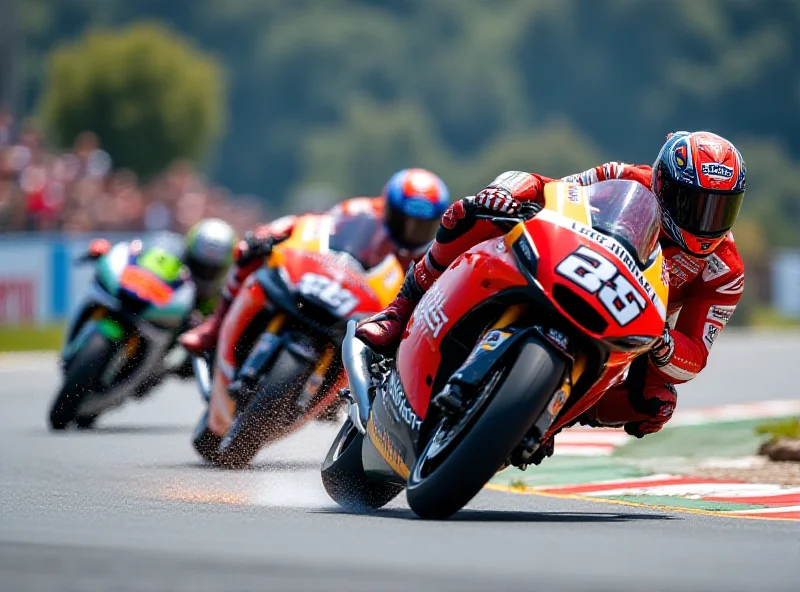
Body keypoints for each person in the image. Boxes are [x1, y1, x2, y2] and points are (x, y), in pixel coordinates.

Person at [356, 131, 746, 449]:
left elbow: (695, 353)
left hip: (638, 322)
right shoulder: (625, 178)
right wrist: (508, 192)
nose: (704, 221)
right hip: (573, 263)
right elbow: (553, 190)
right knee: (470, 213)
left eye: (719, 209)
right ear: (662, 184)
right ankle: (400, 310)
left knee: (656, 404)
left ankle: (544, 418)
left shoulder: (725, 271)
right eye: (692, 204)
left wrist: (665, 345)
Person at [178, 168, 451, 356]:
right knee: (252, 249)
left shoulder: (433, 253)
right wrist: (275, 235)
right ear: (388, 207)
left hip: (371, 312)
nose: (410, 231)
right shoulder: (359, 211)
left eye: (421, 226)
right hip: (331, 278)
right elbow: (317, 227)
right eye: (403, 220)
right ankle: (215, 326)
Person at [85, 217, 237, 318]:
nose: (205, 273)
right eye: (199, 265)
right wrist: (110, 251)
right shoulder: (169, 255)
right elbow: (136, 252)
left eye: (212, 270)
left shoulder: (222, 295)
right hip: (143, 308)